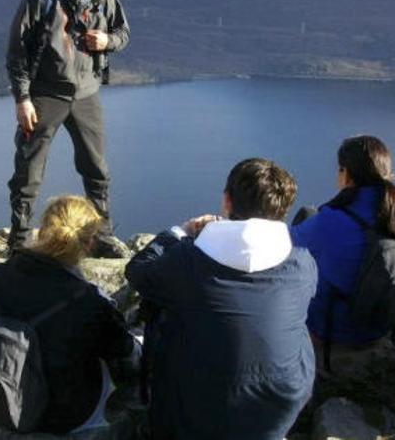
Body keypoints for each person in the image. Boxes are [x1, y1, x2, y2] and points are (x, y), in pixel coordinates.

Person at [126, 158, 316, 440]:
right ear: (282, 211)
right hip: (280, 404)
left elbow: (138, 272)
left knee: (162, 312)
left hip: (196, 408)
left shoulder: (188, 262)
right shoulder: (302, 266)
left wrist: (181, 232)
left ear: (227, 201)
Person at [5, 0, 130, 258]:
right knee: (29, 170)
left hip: (86, 94)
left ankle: (101, 237)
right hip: (45, 94)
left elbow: (123, 33)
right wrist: (23, 98)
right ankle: (19, 241)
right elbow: (17, 52)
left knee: (96, 168)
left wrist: (107, 41)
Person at [0, 195, 141, 434]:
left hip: (5, 396)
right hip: (68, 417)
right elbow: (128, 361)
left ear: (43, 230)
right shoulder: (91, 301)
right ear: (88, 243)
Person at [290, 136, 395, 369]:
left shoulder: (331, 220)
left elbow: (282, 244)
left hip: (333, 329)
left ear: (346, 173)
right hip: (379, 324)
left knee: (306, 217)